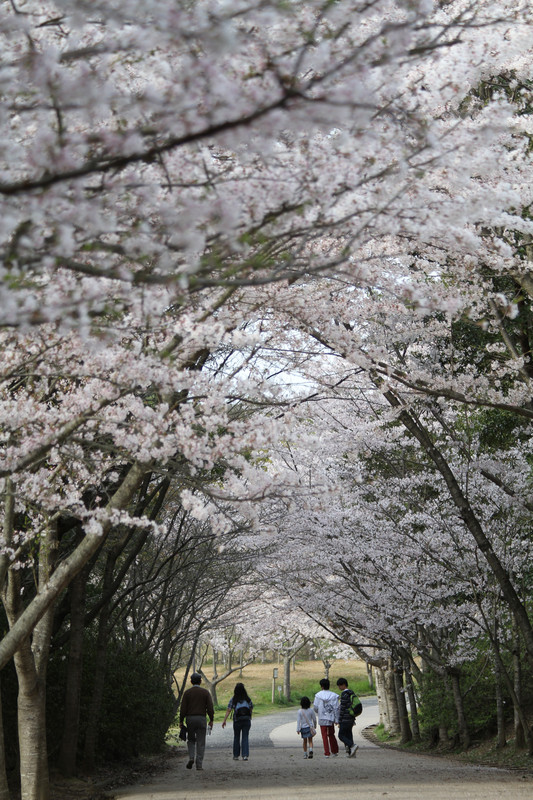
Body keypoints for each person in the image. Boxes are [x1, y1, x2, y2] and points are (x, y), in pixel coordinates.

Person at [179, 672, 214, 771]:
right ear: (200, 681)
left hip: (190, 719)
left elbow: (183, 709)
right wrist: (211, 719)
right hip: (201, 718)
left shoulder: (187, 693)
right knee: (201, 741)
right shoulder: (205, 692)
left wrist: (181, 721)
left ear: (191, 681)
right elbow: (210, 708)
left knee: (191, 740)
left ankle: (191, 757)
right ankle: (199, 764)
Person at [222, 682, 253, 761]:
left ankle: (236, 755)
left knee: (236, 737)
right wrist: (250, 716)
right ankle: (245, 755)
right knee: (245, 737)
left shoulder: (234, 699)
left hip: (237, 721)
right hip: (246, 720)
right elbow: (251, 707)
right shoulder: (247, 699)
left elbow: (229, 710)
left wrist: (224, 720)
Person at [313, 677, 340, 757]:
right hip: (331, 717)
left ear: (322, 686)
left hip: (322, 717)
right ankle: (334, 751)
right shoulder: (334, 695)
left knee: (324, 735)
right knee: (331, 734)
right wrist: (336, 719)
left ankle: (327, 753)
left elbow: (315, 707)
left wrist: (319, 712)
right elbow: (336, 708)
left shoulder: (318, 695)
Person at [336, 677, 359, 757]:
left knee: (341, 735)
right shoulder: (351, 693)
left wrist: (339, 720)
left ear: (343, 685)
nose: (339, 687)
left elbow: (342, 708)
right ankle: (352, 753)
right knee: (349, 734)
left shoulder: (344, 694)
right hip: (351, 718)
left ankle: (352, 746)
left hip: (345, 718)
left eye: (339, 685)